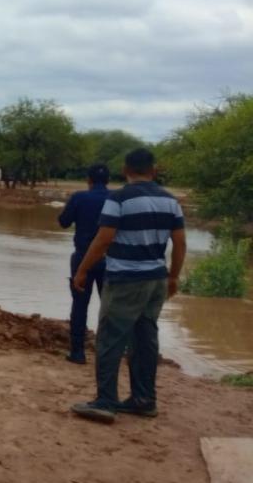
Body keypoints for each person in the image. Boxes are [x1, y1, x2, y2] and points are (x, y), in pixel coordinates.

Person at [71, 148, 186, 424]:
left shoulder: (119, 198)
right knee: (145, 338)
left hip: (126, 279)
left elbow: (103, 239)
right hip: (156, 279)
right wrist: (173, 277)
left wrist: (83, 270)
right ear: (154, 171)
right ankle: (143, 400)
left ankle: (105, 402)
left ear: (125, 170)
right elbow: (180, 243)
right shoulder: (171, 201)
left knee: (110, 338)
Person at [58, 163, 111, 364]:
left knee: (80, 304)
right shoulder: (116, 199)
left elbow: (63, 222)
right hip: (110, 259)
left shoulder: (79, 197)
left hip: (82, 258)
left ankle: (78, 352)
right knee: (110, 307)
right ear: (108, 180)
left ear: (88, 180)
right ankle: (107, 353)